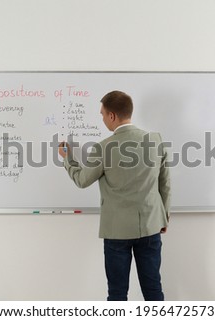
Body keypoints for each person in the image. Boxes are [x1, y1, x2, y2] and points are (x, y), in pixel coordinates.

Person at [58, 90, 170, 301]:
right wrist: (163, 216)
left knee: (117, 294)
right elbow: (165, 182)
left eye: (102, 114)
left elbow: (82, 180)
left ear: (112, 116)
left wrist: (68, 159)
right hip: (150, 226)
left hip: (116, 232)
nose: (102, 119)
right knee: (153, 290)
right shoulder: (155, 140)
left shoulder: (103, 148)